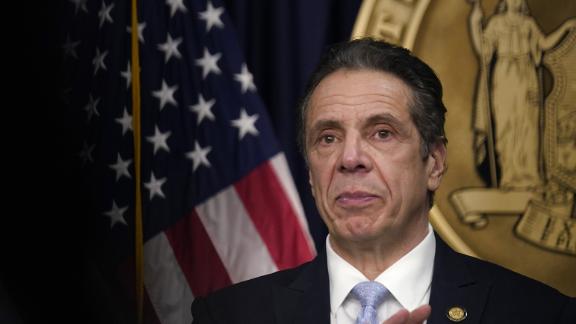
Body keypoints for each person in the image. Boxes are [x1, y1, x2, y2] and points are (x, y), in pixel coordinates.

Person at [190, 38, 576, 324]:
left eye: (382, 133)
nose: (350, 159)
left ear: (435, 163)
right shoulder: (227, 315)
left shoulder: (541, 314)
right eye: (328, 138)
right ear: (310, 173)